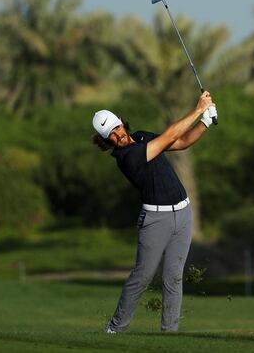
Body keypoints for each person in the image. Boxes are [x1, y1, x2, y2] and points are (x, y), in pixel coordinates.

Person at [91, 91, 217, 334]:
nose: (118, 135)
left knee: (174, 277)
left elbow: (180, 142)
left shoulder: (141, 137)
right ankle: (115, 328)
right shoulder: (126, 157)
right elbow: (170, 134)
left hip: (183, 213)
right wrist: (198, 109)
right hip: (155, 220)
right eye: (111, 135)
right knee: (142, 276)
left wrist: (205, 123)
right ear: (106, 140)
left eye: (117, 127)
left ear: (121, 122)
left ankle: (169, 333)